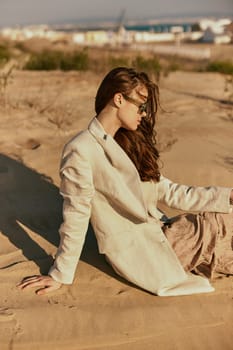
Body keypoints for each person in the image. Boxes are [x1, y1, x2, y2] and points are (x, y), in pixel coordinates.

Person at [17, 67, 233, 296]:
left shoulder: (126, 143)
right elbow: (76, 215)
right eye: (140, 107)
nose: (143, 114)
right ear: (118, 99)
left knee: (223, 228)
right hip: (144, 252)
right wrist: (59, 274)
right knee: (220, 223)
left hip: (166, 234)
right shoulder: (81, 149)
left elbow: (170, 191)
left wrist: (225, 196)